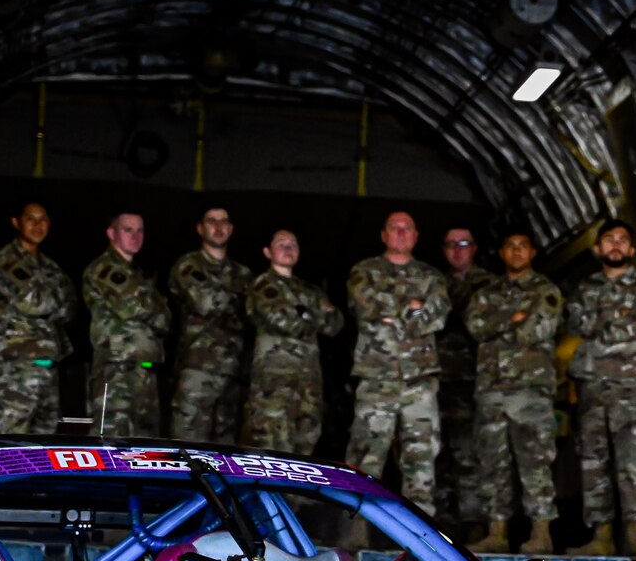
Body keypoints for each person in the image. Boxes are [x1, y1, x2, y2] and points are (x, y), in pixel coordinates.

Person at [562, 220, 636, 557]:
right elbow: (577, 323)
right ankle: (601, 534)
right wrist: (620, 316)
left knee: (634, 460)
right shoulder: (584, 288)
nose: (616, 245)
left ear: (632, 249)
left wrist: (602, 320)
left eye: (622, 239)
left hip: (630, 387)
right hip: (592, 387)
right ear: (597, 249)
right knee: (594, 461)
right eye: (609, 240)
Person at [465, 233, 564, 555]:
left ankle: (542, 532)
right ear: (502, 252)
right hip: (492, 390)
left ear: (532, 252)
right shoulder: (487, 292)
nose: (517, 251)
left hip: (530, 391)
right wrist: (511, 318)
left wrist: (497, 323)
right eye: (510, 246)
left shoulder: (546, 291)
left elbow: (538, 330)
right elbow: (474, 326)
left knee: (535, 462)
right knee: (493, 464)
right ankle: (497, 532)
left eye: (523, 246)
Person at [345, 211, 451, 506]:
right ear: (384, 235)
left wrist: (394, 314)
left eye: (408, 228)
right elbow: (367, 306)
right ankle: (356, 530)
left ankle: (421, 538)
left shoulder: (432, 276)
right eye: (395, 228)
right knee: (366, 456)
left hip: (419, 381)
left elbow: (438, 316)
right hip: (376, 378)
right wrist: (415, 308)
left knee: (421, 458)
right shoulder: (364, 272)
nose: (401, 233)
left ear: (416, 236)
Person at [244, 229, 343, 454]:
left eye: (293, 244)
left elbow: (335, 324)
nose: (288, 248)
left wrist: (305, 313)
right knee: (275, 455)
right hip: (275, 387)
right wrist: (318, 314)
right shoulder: (262, 285)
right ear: (267, 252)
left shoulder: (311, 290)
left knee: (304, 456)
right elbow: (283, 321)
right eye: (281, 243)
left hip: (308, 386)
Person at [0, 201, 76, 433]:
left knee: (45, 442)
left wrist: (49, 301)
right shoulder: (5, 261)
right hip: (19, 361)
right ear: (16, 222)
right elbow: (34, 302)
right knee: (13, 438)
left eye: (43, 219)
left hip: (48, 361)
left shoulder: (50, 266)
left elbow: (70, 307)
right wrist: (53, 299)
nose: (37, 225)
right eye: (30, 219)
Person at [82, 210, 172, 436]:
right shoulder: (104, 268)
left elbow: (166, 318)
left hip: (144, 368)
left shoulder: (139, 275)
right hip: (116, 369)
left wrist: (153, 308)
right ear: (111, 233)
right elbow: (132, 307)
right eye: (128, 229)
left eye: (140, 230)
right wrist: (155, 307)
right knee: (110, 443)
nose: (135, 235)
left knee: (145, 446)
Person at [168, 206, 252, 443]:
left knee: (226, 450)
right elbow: (206, 302)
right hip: (197, 368)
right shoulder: (189, 265)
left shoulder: (242, 273)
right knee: (189, 444)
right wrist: (236, 298)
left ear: (231, 229)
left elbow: (254, 314)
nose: (218, 227)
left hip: (233, 372)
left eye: (223, 221)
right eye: (211, 221)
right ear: (200, 229)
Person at [436, 226, 498, 535]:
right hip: (434, 381)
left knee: (470, 453)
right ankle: (442, 523)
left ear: (474, 248)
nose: (457, 250)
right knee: (437, 454)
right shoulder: (434, 283)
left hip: (473, 381)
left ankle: (473, 522)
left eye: (464, 244)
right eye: (451, 245)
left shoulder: (489, 285)